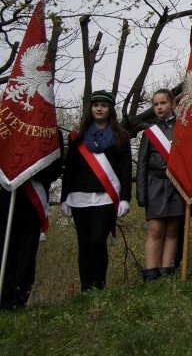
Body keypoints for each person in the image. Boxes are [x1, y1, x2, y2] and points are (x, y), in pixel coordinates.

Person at [60, 90, 132, 291]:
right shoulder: (77, 138)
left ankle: (99, 286)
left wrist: (125, 198)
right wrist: (64, 198)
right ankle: (86, 287)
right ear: (90, 109)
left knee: (97, 240)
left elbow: (126, 170)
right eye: (95, 105)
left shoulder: (121, 137)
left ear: (110, 110)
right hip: (79, 196)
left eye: (104, 105)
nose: (99, 108)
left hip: (106, 197)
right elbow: (70, 170)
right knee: (84, 243)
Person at [0, 138, 63, 309]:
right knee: (6, 251)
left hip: (32, 202)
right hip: (7, 200)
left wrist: (30, 170)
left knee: (27, 253)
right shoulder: (7, 127)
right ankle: (4, 297)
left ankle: (20, 299)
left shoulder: (50, 132)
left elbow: (56, 168)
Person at [136, 89, 183, 282]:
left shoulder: (183, 127)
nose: (159, 107)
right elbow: (142, 165)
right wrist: (141, 193)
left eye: (163, 103)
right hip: (155, 184)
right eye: (155, 104)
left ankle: (166, 271)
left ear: (172, 104)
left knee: (172, 229)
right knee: (155, 229)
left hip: (176, 184)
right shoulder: (150, 132)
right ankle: (150, 273)